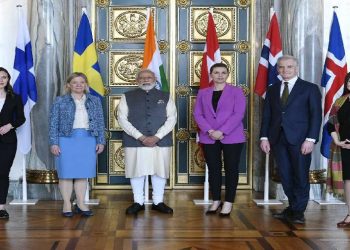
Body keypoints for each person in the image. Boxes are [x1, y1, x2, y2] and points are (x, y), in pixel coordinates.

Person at [260, 55, 322, 224]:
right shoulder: (272, 89)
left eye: (289, 67)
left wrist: (310, 139)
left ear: (296, 68)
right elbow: (267, 115)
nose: (285, 70)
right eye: (281, 67)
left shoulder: (310, 88)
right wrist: (264, 137)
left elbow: (316, 115)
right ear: (277, 69)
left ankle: (299, 211)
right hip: (278, 139)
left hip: (301, 140)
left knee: (300, 175)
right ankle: (293, 207)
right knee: (285, 175)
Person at [117, 69, 177, 215]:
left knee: (160, 171)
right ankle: (138, 202)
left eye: (149, 77)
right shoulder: (127, 96)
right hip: (135, 141)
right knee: (136, 172)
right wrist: (141, 137)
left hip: (161, 141)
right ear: (137, 80)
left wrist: (157, 136)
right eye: (142, 78)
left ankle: (158, 202)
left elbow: (172, 118)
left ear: (154, 79)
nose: (146, 80)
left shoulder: (166, 96)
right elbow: (122, 119)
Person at [49, 72, 105, 217]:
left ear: (86, 85)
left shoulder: (94, 100)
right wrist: (54, 143)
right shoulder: (60, 101)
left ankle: (81, 203)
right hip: (66, 139)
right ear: (68, 85)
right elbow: (53, 123)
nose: (79, 85)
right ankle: (67, 203)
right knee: (66, 174)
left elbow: (100, 122)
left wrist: (100, 141)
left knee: (83, 173)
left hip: (87, 139)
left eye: (82, 82)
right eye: (75, 82)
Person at [193, 63, 246, 216]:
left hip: (232, 136)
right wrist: (210, 131)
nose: (220, 75)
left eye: (223, 72)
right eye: (216, 72)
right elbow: (198, 114)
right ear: (211, 75)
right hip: (208, 137)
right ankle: (216, 200)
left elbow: (238, 114)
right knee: (214, 169)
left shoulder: (237, 91)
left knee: (231, 169)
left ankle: (228, 202)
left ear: (228, 74)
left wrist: (222, 131)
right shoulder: (203, 92)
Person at [0, 67, 25, 219]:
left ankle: (1, 207)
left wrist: (10, 125)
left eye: (4, 77)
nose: (1, 80)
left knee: (2, 173)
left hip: (8, 141)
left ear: (8, 79)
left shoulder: (15, 98)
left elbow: (21, 118)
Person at [326, 72, 350, 227]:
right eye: (349, 81)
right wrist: (338, 141)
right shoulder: (340, 101)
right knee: (348, 180)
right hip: (344, 147)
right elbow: (330, 124)